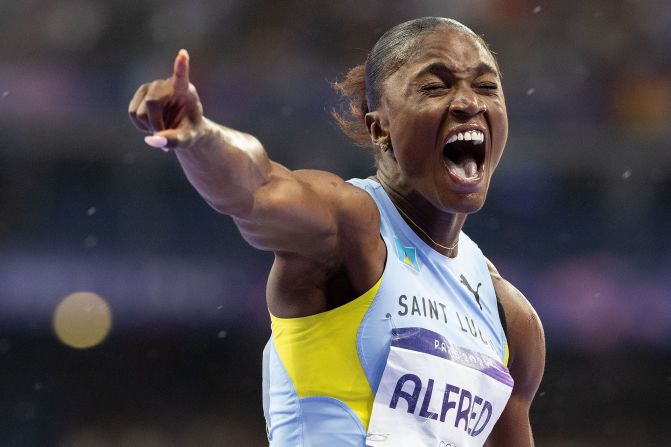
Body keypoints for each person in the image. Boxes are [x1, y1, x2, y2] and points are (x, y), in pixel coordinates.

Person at [129, 17, 545, 447]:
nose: (467, 102)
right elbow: (258, 189)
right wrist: (200, 137)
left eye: (486, 86)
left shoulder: (510, 318)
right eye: (435, 87)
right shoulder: (351, 227)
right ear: (379, 127)